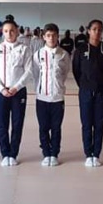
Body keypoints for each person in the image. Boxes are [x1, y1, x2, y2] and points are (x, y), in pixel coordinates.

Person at [0, 20, 33, 166]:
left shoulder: (25, 49)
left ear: (17, 31)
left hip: (18, 92)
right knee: (2, 123)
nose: (9, 34)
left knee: (17, 123)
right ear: (2, 32)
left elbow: (28, 71)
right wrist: (1, 88)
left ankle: (13, 153)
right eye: (6, 31)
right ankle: (4, 153)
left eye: (12, 30)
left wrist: (17, 87)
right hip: (1, 91)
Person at [73, 19, 103, 166]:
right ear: (89, 31)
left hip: (101, 93)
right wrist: (84, 85)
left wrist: (102, 85)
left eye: (99, 29)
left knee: (98, 124)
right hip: (85, 92)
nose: (97, 32)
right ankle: (87, 154)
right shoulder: (80, 50)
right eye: (94, 29)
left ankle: (96, 154)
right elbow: (76, 70)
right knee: (86, 124)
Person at [35, 23, 72, 166]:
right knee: (43, 127)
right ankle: (46, 153)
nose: (51, 38)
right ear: (44, 37)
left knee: (56, 127)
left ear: (58, 36)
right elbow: (36, 73)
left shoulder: (63, 54)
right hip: (42, 97)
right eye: (48, 35)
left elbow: (64, 73)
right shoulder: (38, 54)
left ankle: (54, 153)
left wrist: (57, 87)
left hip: (57, 97)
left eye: (54, 35)